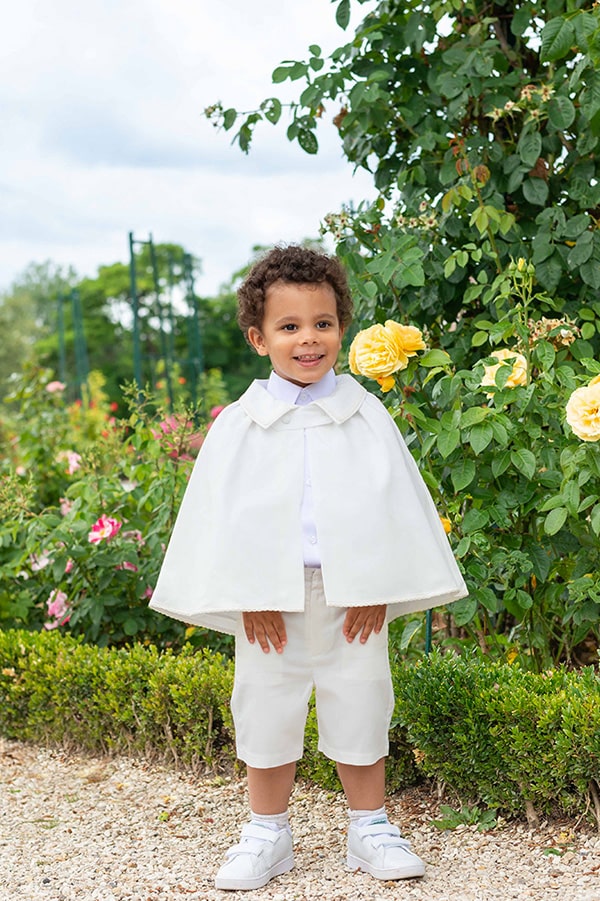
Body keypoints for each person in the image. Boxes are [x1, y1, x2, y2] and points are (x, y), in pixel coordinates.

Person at [150, 245, 467, 891]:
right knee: (264, 708)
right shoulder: (241, 426)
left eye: (322, 323)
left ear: (341, 328)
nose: (307, 339)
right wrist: (248, 595)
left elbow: (392, 505)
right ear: (257, 336)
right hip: (269, 603)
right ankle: (267, 833)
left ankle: (369, 828)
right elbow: (224, 517)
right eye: (289, 326)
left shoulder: (365, 417)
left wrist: (377, 585)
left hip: (354, 597)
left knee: (363, 702)